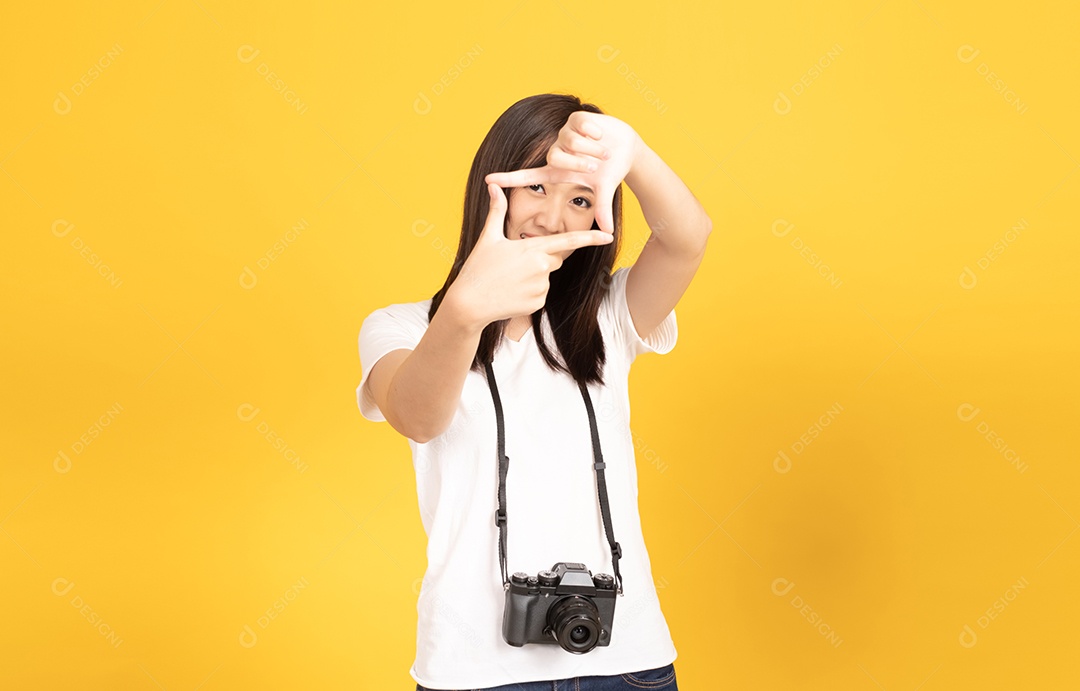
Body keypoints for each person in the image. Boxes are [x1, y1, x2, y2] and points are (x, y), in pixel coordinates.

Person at [356, 93, 711, 691]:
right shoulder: (403, 327)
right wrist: (466, 310)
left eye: (581, 199)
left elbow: (687, 239)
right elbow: (417, 417)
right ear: (493, 184)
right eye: (537, 187)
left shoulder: (606, 317)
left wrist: (634, 153)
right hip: (475, 668)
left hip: (623, 661)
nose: (552, 218)